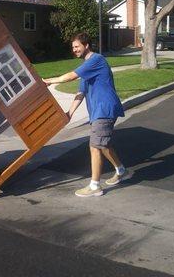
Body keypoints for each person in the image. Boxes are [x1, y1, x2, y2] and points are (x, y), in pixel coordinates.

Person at [43, 32, 127, 197]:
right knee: (103, 144)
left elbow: (70, 76)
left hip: (104, 108)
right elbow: (81, 92)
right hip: (98, 110)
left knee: (94, 146)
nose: (74, 50)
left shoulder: (96, 60)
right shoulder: (88, 66)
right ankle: (120, 169)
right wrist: (70, 113)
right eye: (73, 47)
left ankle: (95, 186)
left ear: (86, 45)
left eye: (77, 46)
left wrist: (51, 80)